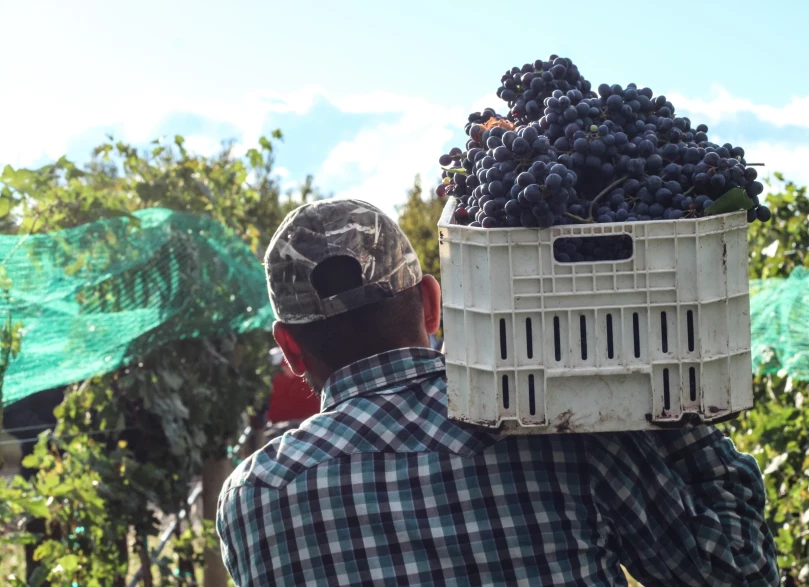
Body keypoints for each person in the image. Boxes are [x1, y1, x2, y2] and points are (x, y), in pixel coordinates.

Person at [217, 199, 780, 586]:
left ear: (290, 348)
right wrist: (668, 393)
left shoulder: (255, 498)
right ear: (433, 303)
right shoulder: (548, 423)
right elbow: (735, 569)